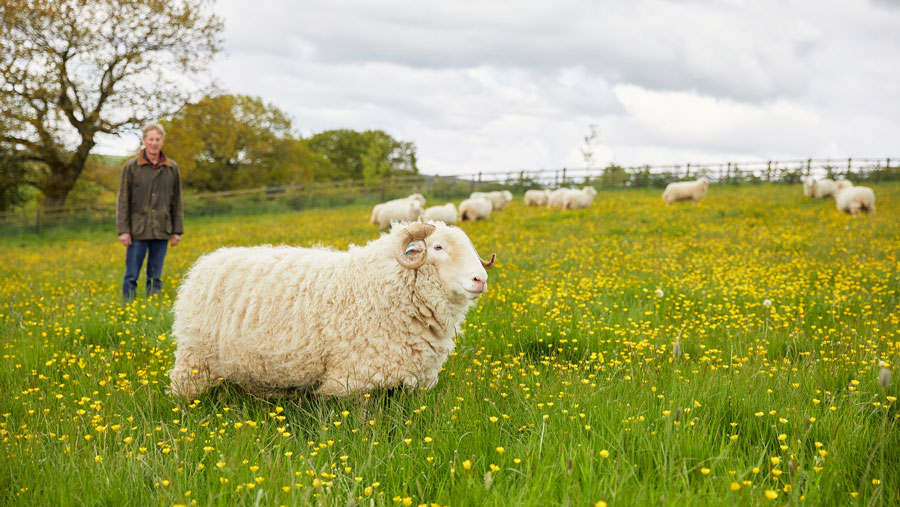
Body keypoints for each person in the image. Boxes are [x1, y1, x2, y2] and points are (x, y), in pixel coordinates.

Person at [116, 122, 184, 301]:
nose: (154, 143)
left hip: (162, 230)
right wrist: (123, 230)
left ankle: (152, 306)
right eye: (151, 139)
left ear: (162, 141)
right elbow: (123, 200)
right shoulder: (131, 167)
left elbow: (176, 201)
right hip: (137, 230)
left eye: (157, 139)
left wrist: (176, 230)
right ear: (144, 140)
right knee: (131, 275)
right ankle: (127, 307)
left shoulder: (172, 168)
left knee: (155, 276)